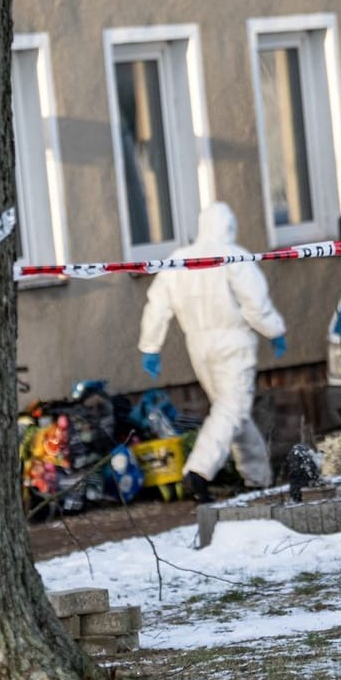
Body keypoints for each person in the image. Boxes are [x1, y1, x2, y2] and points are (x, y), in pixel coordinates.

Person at [138, 201, 287, 501]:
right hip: (233, 343)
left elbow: (157, 305)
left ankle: (257, 477)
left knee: (233, 411)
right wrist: (275, 330)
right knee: (232, 409)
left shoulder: (179, 260)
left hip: (198, 346)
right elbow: (255, 304)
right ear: (230, 227)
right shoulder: (234, 257)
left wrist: (150, 346)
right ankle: (199, 471)